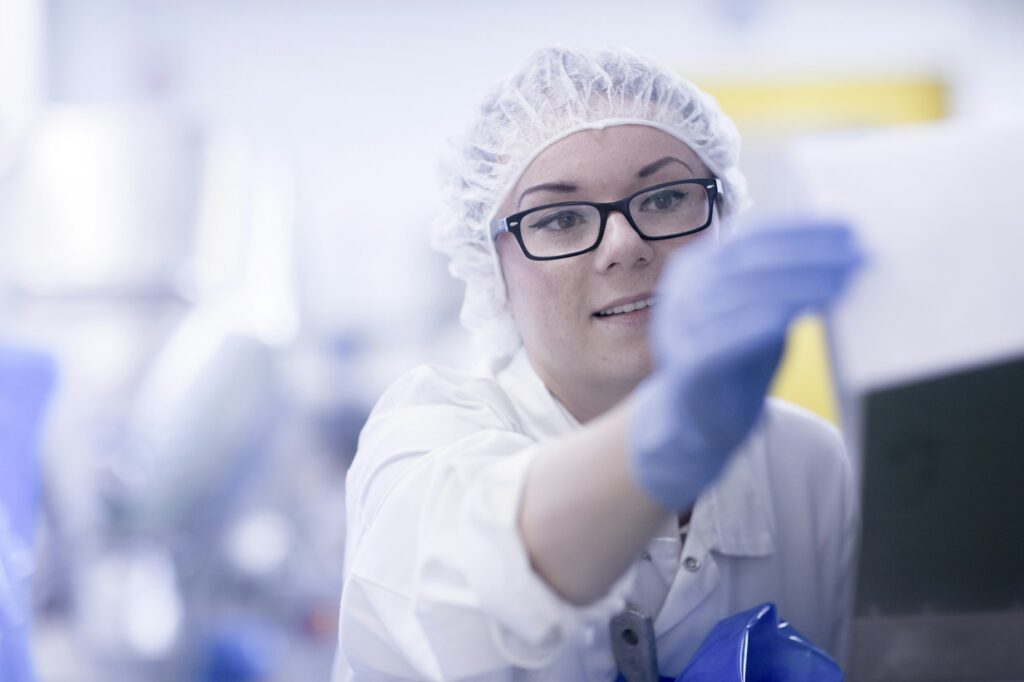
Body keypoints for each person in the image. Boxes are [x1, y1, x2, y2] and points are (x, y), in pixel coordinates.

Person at [333, 46, 862, 681]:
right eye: (560, 218)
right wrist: (673, 432)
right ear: (490, 266)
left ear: (722, 214)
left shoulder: (806, 463)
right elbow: (475, 581)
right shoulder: (425, 436)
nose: (625, 245)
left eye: (665, 198)